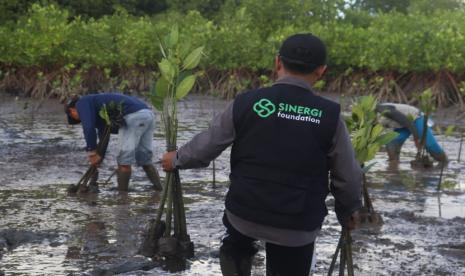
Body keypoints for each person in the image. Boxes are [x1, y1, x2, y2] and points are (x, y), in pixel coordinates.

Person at [161, 34, 362, 276]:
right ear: (321, 71)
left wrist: (176, 159)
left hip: (244, 214)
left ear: (277, 62)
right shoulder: (330, 116)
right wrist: (348, 210)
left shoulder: (247, 102)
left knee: (235, 243)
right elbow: (347, 177)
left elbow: (205, 148)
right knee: (290, 259)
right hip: (297, 226)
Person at [65, 93, 162, 192]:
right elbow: (104, 137)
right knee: (145, 158)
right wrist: (99, 157)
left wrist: (92, 152)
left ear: (72, 110)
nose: (80, 120)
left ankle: (122, 196)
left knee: (124, 161)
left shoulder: (82, 103)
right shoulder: (98, 107)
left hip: (133, 116)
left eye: (75, 117)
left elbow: (88, 128)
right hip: (148, 115)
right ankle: (159, 189)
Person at [376, 103, 447, 162]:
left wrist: (416, 138)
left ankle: (444, 163)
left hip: (415, 118)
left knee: (429, 145)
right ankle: (394, 167)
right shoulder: (367, 120)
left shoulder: (383, 109)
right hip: (402, 125)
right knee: (392, 142)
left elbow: (406, 121)